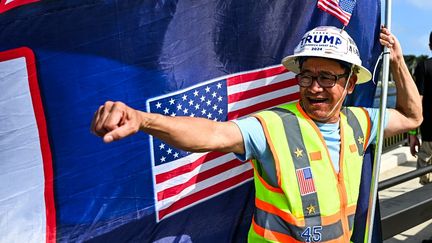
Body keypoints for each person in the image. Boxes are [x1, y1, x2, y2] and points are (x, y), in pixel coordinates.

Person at [91, 26, 422, 242]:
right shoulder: (273, 126)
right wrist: (144, 120)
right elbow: (212, 134)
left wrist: (397, 61)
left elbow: (412, 115)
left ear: (350, 84)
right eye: (306, 77)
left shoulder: (359, 122)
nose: (314, 88)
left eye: (327, 78)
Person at [409, 31, 432, 185]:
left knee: (426, 187)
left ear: (430, 45)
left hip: (429, 133)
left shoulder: (423, 67)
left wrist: (412, 133)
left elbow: (416, 102)